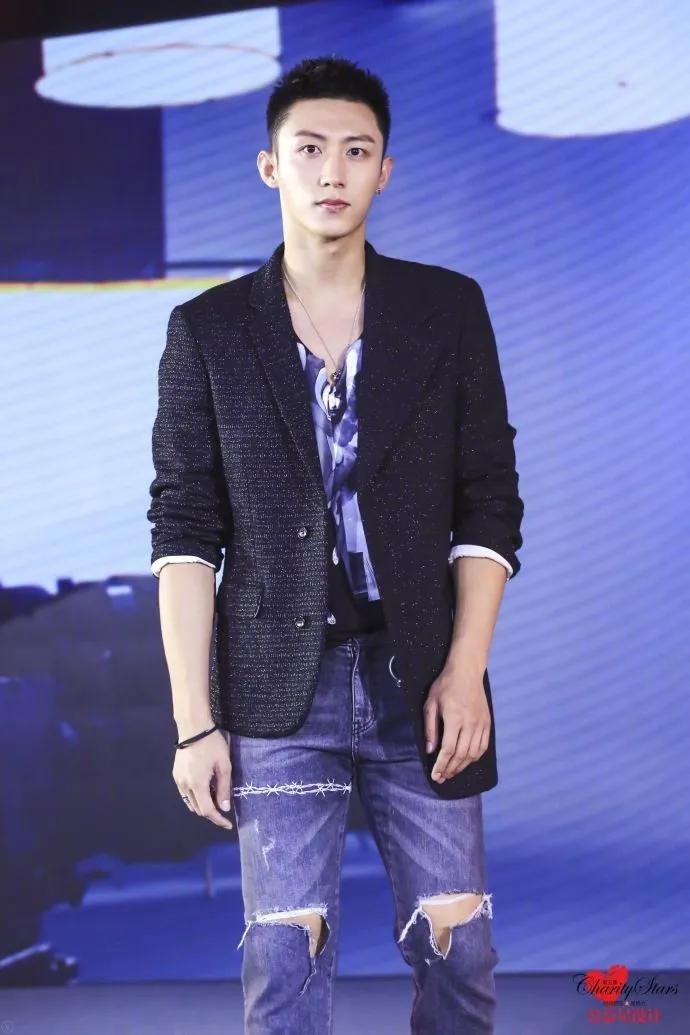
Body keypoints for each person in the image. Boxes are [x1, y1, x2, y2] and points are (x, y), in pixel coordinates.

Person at [147, 54, 524, 1035]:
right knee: (284, 960)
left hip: (421, 676)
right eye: (309, 148)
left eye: (357, 152)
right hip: (278, 686)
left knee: (460, 949)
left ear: (384, 171)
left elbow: (489, 502)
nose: (332, 171)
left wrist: (466, 672)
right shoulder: (207, 331)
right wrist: (193, 722)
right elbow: (183, 532)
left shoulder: (446, 310)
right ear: (270, 165)